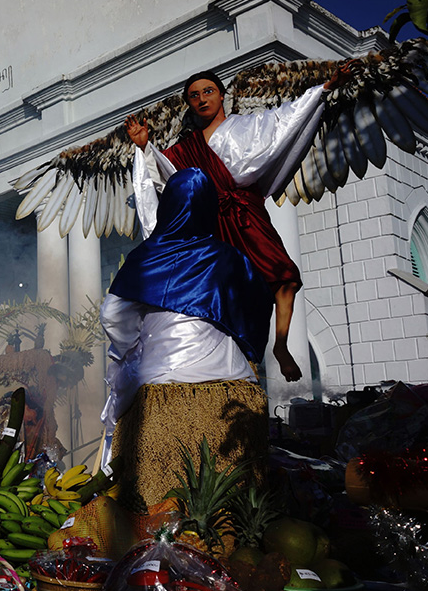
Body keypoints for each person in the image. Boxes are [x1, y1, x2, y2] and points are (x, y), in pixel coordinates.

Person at [126, 64, 354, 382]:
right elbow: (166, 179)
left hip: (247, 213)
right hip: (212, 224)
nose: (202, 99)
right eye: (194, 96)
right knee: (228, 291)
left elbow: (286, 121)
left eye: (208, 91)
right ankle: (234, 357)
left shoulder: (250, 127)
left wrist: (326, 88)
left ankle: (282, 345)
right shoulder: (183, 149)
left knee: (284, 276)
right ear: (189, 104)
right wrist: (144, 147)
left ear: (221, 95)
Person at [99, 167, 273, 465]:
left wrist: (134, 344)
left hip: (161, 381)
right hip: (229, 382)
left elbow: (112, 315)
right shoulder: (229, 257)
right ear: (209, 209)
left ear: (166, 207)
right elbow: (258, 305)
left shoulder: (144, 257)